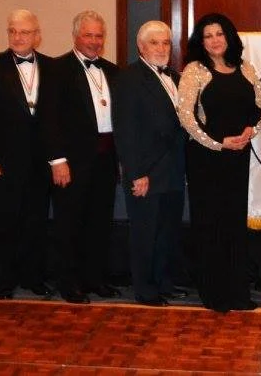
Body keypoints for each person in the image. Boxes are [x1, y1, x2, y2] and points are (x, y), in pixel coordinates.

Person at [177, 13, 261, 313]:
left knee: (233, 224)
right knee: (210, 223)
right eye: (208, 35)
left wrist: (252, 130)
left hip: (237, 158)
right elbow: (186, 116)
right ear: (201, 42)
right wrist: (219, 143)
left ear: (229, 37)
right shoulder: (194, 70)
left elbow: (260, 108)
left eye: (219, 34)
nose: (214, 40)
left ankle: (237, 292)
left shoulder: (246, 69)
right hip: (207, 159)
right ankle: (214, 293)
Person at [0, 9, 56, 300]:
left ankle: (33, 277)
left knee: (35, 223)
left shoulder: (52, 67)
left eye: (24, 32)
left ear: (37, 35)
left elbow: (54, 119)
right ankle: (3, 281)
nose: (18, 37)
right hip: (3, 161)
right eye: (13, 31)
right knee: (4, 223)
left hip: (39, 163)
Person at [43, 10, 120, 304]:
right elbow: (49, 119)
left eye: (99, 35)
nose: (94, 41)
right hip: (71, 163)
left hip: (105, 160)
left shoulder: (113, 72)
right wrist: (57, 160)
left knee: (99, 223)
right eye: (88, 35)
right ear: (75, 36)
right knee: (69, 224)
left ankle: (95, 279)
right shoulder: (57, 69)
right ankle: (69, 282)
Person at [112, 20, 188, 307]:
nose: (161, 48)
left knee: (167, 232)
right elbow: (126, 131)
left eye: (166, 42)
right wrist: (137, 174)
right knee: (145, 233)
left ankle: (163, 283)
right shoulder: (129, 78)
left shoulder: (178, 78)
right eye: (154, 43)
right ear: (141, 47)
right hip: (146, 172)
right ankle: (145, 289)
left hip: (173, 171)